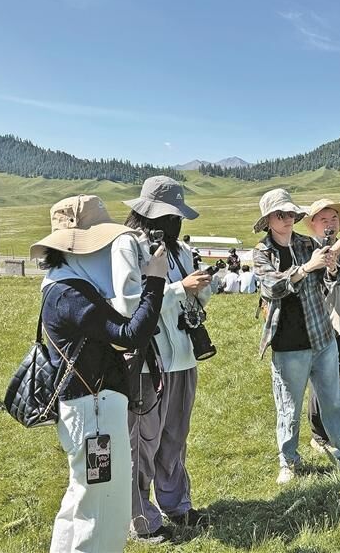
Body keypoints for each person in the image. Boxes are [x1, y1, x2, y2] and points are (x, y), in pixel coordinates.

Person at [29, 194, 168, 553]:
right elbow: (131, 334)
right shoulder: (71, 294)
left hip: (88, 409)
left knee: (82, 498)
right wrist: (155, 281)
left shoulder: (62, 285)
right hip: (94, 414)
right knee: (104, 511)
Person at [110, 176, 213, 543]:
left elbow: (195, 299)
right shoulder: (127, 245)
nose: (176, 222)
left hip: (183, 357)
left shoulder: (180, 250)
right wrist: (179, 289)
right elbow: (127, 303)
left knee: (175, 438)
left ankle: (177, 505)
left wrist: (200, 288)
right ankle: (142, 520)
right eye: (172, 216)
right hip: (146, 361)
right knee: (141, 443)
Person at [252, 188, 340, 485]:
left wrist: (331, 269)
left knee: (334, 401)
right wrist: (307, 267)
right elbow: (272, 288)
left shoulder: (307, 244)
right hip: (287, 344)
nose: (287, 218)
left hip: (321, 337)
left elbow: (326, 285)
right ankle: (288, 462)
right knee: (288, 407)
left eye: (290, 213)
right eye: (280, 214)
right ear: (268, 220)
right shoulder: (261, 253)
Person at [303, 199, 340, 454]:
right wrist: (336, 248)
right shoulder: (313, 250)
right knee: (323, 381)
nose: (330, 224)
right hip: (326, 325)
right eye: (323, 220)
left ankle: (334, 427)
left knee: (337, 378)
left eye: (334, 219)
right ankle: (319, 434)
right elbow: (320, 279)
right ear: (313, 224)